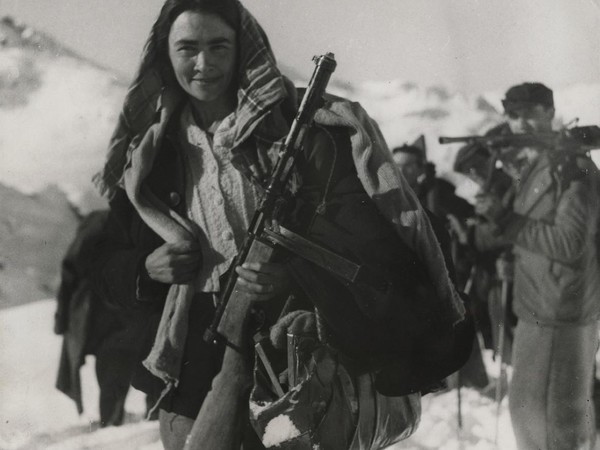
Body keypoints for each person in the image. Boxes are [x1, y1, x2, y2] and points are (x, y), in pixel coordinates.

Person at [91, 1, 469, 448]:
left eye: (218, 46)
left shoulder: (301, 133)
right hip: (191, 357)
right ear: (164, 54)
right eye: (187, 48)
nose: (203, 64)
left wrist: (293, 270)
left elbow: (374, 242)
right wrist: (146, 268)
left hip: (293, 354)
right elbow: (103, 265)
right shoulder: (150, 156)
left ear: (243, 49)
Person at [474, 82, 600, 449]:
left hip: (562, 312)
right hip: (539, 307)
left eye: (529, 112)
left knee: (554, 421)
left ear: (549, 112)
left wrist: (506, 221)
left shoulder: (573, 170)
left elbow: (571, 243)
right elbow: (535, 231)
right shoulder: (539, 166)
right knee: (533, 415)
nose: (521, 122)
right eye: (513, 115)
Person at [55, 210, 153, 427]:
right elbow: (72, 267)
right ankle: (121, 425)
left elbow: (70, 269)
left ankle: (131, 424)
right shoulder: (104, 221)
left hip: (128, 311)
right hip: (110, 311)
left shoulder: (130, 218)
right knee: (118, 367)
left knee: (128, 367)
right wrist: (62, 315)